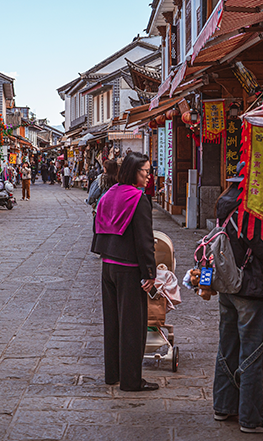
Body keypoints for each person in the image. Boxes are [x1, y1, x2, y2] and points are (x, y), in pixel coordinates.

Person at [212, 161, 263, 434]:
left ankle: (224, 405)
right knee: (253, 351)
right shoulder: (250, 206)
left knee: (228, 346)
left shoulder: (225, 201)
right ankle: (253, 418)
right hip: (250, 286)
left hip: (228, 283)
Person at [91, 152, 158, 392]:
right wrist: (150, 272)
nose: (149, 176)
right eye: (145, 172)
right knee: (132, 326)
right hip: (129, 269)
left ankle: (113, 374)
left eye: (149, 171)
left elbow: (97, 225)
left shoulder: (109, 194)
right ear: (133, 172)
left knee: (112, 323)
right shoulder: (138, 198)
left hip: (108, 266)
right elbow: (144, 240)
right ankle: (131, 380)